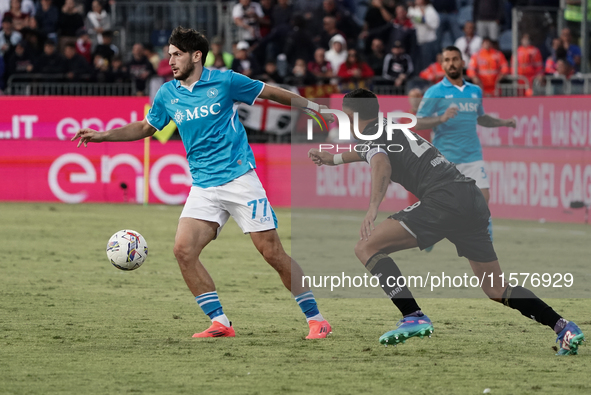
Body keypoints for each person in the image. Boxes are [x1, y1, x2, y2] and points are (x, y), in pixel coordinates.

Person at [71, 26, 332, 340]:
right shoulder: (168, 93)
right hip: (204, 186)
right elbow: (145, 127)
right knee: (183, 251)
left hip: (239, 180)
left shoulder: (225, 81)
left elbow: (269, 92)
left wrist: (312, 107)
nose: (170, 61)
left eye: (177, 55)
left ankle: (317, 320)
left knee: (272, 253)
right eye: (169, 55)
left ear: (196, 56)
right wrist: (102, 136)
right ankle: (221, 322)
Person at [307, 88, 585, 356]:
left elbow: (380, 163)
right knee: (496, 289)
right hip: (470, 198)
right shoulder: (388, 126)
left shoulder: (371, 134)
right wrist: (333, 159)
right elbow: (371, 152)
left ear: (353, 118)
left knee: (365, 247)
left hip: (443, 199)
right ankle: (563, 327)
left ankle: (412, 315)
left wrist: (372, 208)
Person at [415, 45, 515, 240]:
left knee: (482, 199)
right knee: (442, 207)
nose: (451, 63)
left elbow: (481, 118)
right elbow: (418, 122)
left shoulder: (475, 91)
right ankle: (427, 234)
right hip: (446, 158)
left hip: (472, 156)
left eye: (454, 59)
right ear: (442, 64)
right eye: (447, 60)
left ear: (462, 62)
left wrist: (505, 122)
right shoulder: (435, 92)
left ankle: (486, 243)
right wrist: (441, 119)